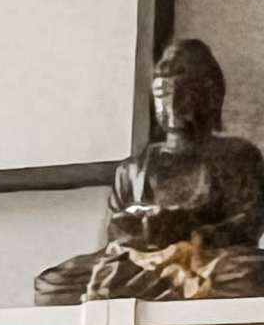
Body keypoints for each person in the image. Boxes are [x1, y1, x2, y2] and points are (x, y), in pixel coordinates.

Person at [35, 37, 264, 302]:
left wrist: (189, 228)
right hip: (140, 263)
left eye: (185, 94)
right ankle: (162, 286)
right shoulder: (132, 170)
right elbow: (115, 238)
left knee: (253, 274)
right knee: (51, 285)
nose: (173, 106)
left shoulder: (237, 156)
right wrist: (141, 229)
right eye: (163, 96)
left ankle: (167, 285)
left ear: (211, 96)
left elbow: (249, 224)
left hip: (209, 260)